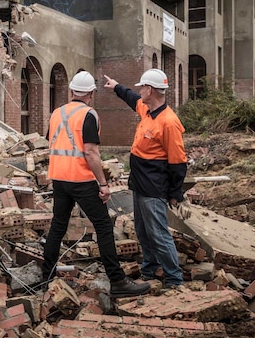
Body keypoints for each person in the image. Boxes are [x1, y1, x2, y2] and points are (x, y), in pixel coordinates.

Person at [43, 70, 151, 298]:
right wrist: (103, 184)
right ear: (91, 94)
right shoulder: (88, 115)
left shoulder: (56, 113)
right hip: (81, 180)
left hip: (59, 179)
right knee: (103, 226)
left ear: (71, 91)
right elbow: (90, 152)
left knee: (57, 226)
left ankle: (47, 278)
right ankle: (118, 281)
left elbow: (52, 143)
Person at [102, 69, 186, 288]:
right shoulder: (147, 110)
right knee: (142, 230)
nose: (140, 91)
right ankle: (149, 270)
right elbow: (132, 99)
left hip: (154, 187)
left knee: (158, 233)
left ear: (150, 89)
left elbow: (178, 162)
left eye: (142, 87)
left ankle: (174, 279)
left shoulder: (169, 122)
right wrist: (116, 86)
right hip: (139, 184)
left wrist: (176, 194)